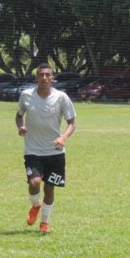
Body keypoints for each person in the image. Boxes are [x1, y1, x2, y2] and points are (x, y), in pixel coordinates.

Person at [15, 63, 76, 233]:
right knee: (34, 182)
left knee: (49, 188)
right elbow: (19, 116)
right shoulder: (26, 95)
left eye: (47, 75)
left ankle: (45, 222)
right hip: (33, 150)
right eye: (41, 75)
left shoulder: (61, 97)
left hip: (55, 152)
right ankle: (35, 205)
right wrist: (20, 127)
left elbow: (72, 123)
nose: (44, 78)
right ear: (36, 78)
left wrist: (63, 137)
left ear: (53, 78)